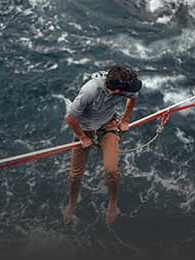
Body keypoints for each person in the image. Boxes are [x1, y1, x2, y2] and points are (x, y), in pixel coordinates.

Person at [63, 65, 142, 225]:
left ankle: (112, 204)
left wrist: (126, 119)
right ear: (115, 91)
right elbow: (70, 118)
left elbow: (133, 97)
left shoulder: (126, 86)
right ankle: (72, 204)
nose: (129, 91)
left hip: (108, 125)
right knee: (75, 175)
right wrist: (82, 137)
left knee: (111, 170)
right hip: (84, 129)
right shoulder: (90, 91)